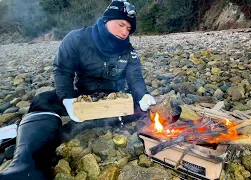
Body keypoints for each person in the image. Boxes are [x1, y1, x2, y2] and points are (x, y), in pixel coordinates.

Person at [0, 0, 156, 179]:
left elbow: (135, 78)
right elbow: (62, 70)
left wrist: (143, 95)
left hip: (112, 99)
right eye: (121, 25)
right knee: (43, 100)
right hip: (83, 96)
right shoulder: (77, 39)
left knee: (142, 107)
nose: (124, 32)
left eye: (129, 29)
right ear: (106, 20)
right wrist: (67, 99)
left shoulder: (129, 51)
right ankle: (26, 165)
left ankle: (81, 125)